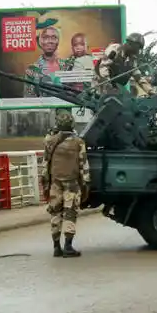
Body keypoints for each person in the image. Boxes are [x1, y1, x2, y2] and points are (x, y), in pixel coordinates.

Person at [41, 110, 90, 257]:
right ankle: (68, 246)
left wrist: (45, 183)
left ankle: (56, 247)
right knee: (70, 213)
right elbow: (83, 165)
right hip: (72, 184)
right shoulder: (78, 142)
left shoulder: (50, 141)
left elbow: (45, 164)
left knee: (55, 213)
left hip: (55, 182)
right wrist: (86, 183)